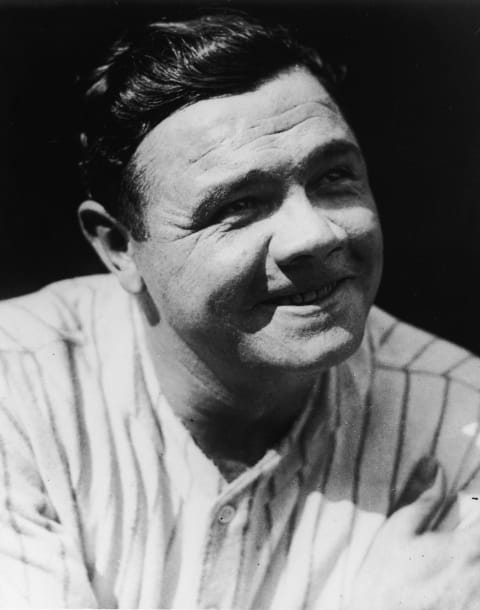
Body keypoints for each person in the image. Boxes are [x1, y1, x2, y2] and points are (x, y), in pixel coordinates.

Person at [0, 12, 479, 609]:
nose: (315, 235)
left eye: (334, 177)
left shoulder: (465, 424)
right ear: (119, 246)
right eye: (240, 206)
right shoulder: (16, 389)